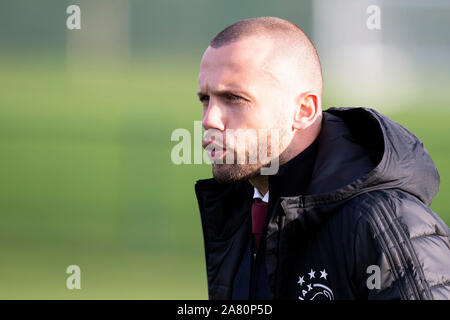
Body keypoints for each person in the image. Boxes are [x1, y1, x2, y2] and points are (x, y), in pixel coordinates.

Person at [194, 17, 450, 300]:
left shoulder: (380, 222)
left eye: (234, 98)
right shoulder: (241, 213)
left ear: (303, 110)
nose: (210, 119)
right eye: (206, 99)